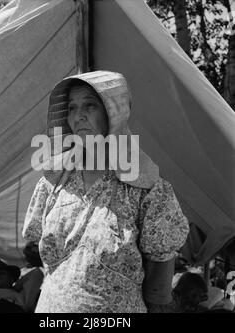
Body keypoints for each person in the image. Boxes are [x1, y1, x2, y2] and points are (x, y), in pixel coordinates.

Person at [23, 71, 190, 313]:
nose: (78, 115)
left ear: (114, 113)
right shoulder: (53, 181)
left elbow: (159, 287)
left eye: (89, 105)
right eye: (71, 107)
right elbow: (36, 253)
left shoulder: (145, 188)